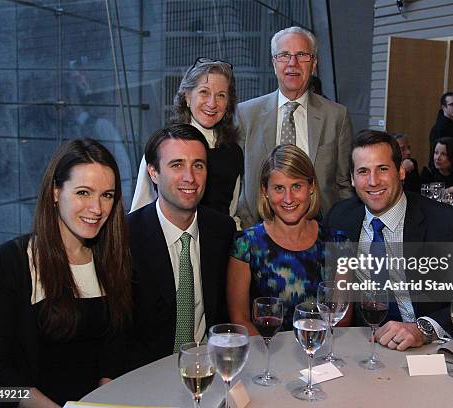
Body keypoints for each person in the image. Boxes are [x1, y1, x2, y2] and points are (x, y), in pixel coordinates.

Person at [0, 139, 132, 407]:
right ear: (55, 192)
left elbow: (114, 349)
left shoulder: (111, 259)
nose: (97, 208)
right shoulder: (9, 263)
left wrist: (101, 399)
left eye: (107, 195)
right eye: (84, 192)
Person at [326, 130, 453, 351]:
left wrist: (423, 329)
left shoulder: (448, 225)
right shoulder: (340, 218)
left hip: (427, 348)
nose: (373, 181)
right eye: (363, 171)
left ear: (401, 171)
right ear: (352, 179)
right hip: (362, 345)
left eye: (382, 169)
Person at [127, 124, 236, 370]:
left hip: (211, 369)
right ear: (153, 172)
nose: (190, 177)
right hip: (146, 376)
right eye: (176, 165)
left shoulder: (222, 230)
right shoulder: (126, 237)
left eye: (198, 165)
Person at [236, 26, 354, 229]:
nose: (293, 63)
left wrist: (341, 234)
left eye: (302, 55)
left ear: (314, 63)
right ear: (274, 63)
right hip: (258, 232)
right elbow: (236, 181)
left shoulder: (337, 116)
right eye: (284, 55)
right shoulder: (246, 114)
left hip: (320, 234)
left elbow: (344, 184)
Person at [227, 144, 348, 333]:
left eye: (297, 186)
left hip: (321, 354)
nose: (288, 198)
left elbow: (341, 318)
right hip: (266, 354)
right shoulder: (246, 244)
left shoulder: (339, 244)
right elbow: (240, 320)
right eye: (278, 188)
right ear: (265, 191)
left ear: (311, 187)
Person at [131, 58, 243, 220]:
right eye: (204, 92)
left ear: (228, 103)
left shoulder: (234, 153)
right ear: (187, 97)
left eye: (221, 95)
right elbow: (139, 211)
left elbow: (230, 212)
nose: (212, 103)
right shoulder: (164, 145)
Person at [429, 92, 453, 163]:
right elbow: (436, 153)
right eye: (452, 104)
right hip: (444, 168)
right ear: (443, 107)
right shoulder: (440, 127)